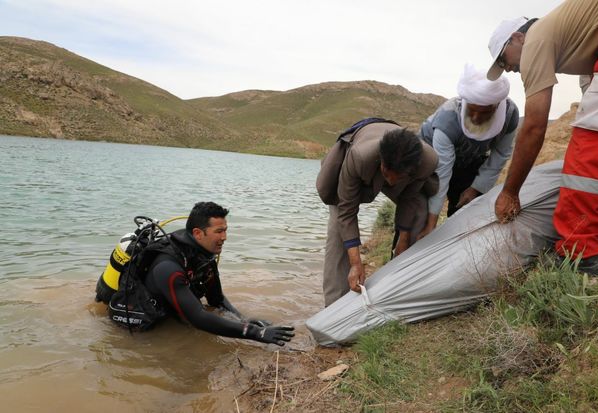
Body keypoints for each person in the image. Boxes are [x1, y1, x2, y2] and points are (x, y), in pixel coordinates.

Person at [486, 0, 598, 275]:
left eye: (504, 59)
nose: (508, 69)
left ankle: (580, 250)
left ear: (518, 37)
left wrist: (510, 192)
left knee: (591, 154)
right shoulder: (580, 33)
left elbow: (534, 125)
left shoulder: (535, 40)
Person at [108, 202, 295, 346]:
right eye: (219, 231)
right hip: (141, 330)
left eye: (225, 230)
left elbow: (217, 299)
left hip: (173, 310)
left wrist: (243, 319)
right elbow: (197, 318)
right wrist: (255, 333)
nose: (224, 237)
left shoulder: (203, 255)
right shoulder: (168, 266)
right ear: (198, 233)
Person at [319, 122, 439, 306]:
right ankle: (334, 307)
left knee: (420, 208)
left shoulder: (427, 161)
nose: (390, 181)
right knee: (338, 231)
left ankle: (399, 281)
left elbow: (409, 197)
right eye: (387, 174)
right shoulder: (360, 156)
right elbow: (346, 211)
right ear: (382, 163)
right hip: (354, 175)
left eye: (396, 177)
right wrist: (356, 263)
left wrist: (404, 239)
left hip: (401, 173)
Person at [416, 64, 518, 239]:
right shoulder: (447, 120)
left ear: (496, 105)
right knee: (418, 211)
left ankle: (455, 247)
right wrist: (431, 223)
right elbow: (442, 172)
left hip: (468, 159)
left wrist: (475, 188)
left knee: (466, 208)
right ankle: (403, 252)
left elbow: (500, 155)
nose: (477, 118)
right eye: (472, 110)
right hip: (430, 158)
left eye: (485, 112)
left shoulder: (510, 115)